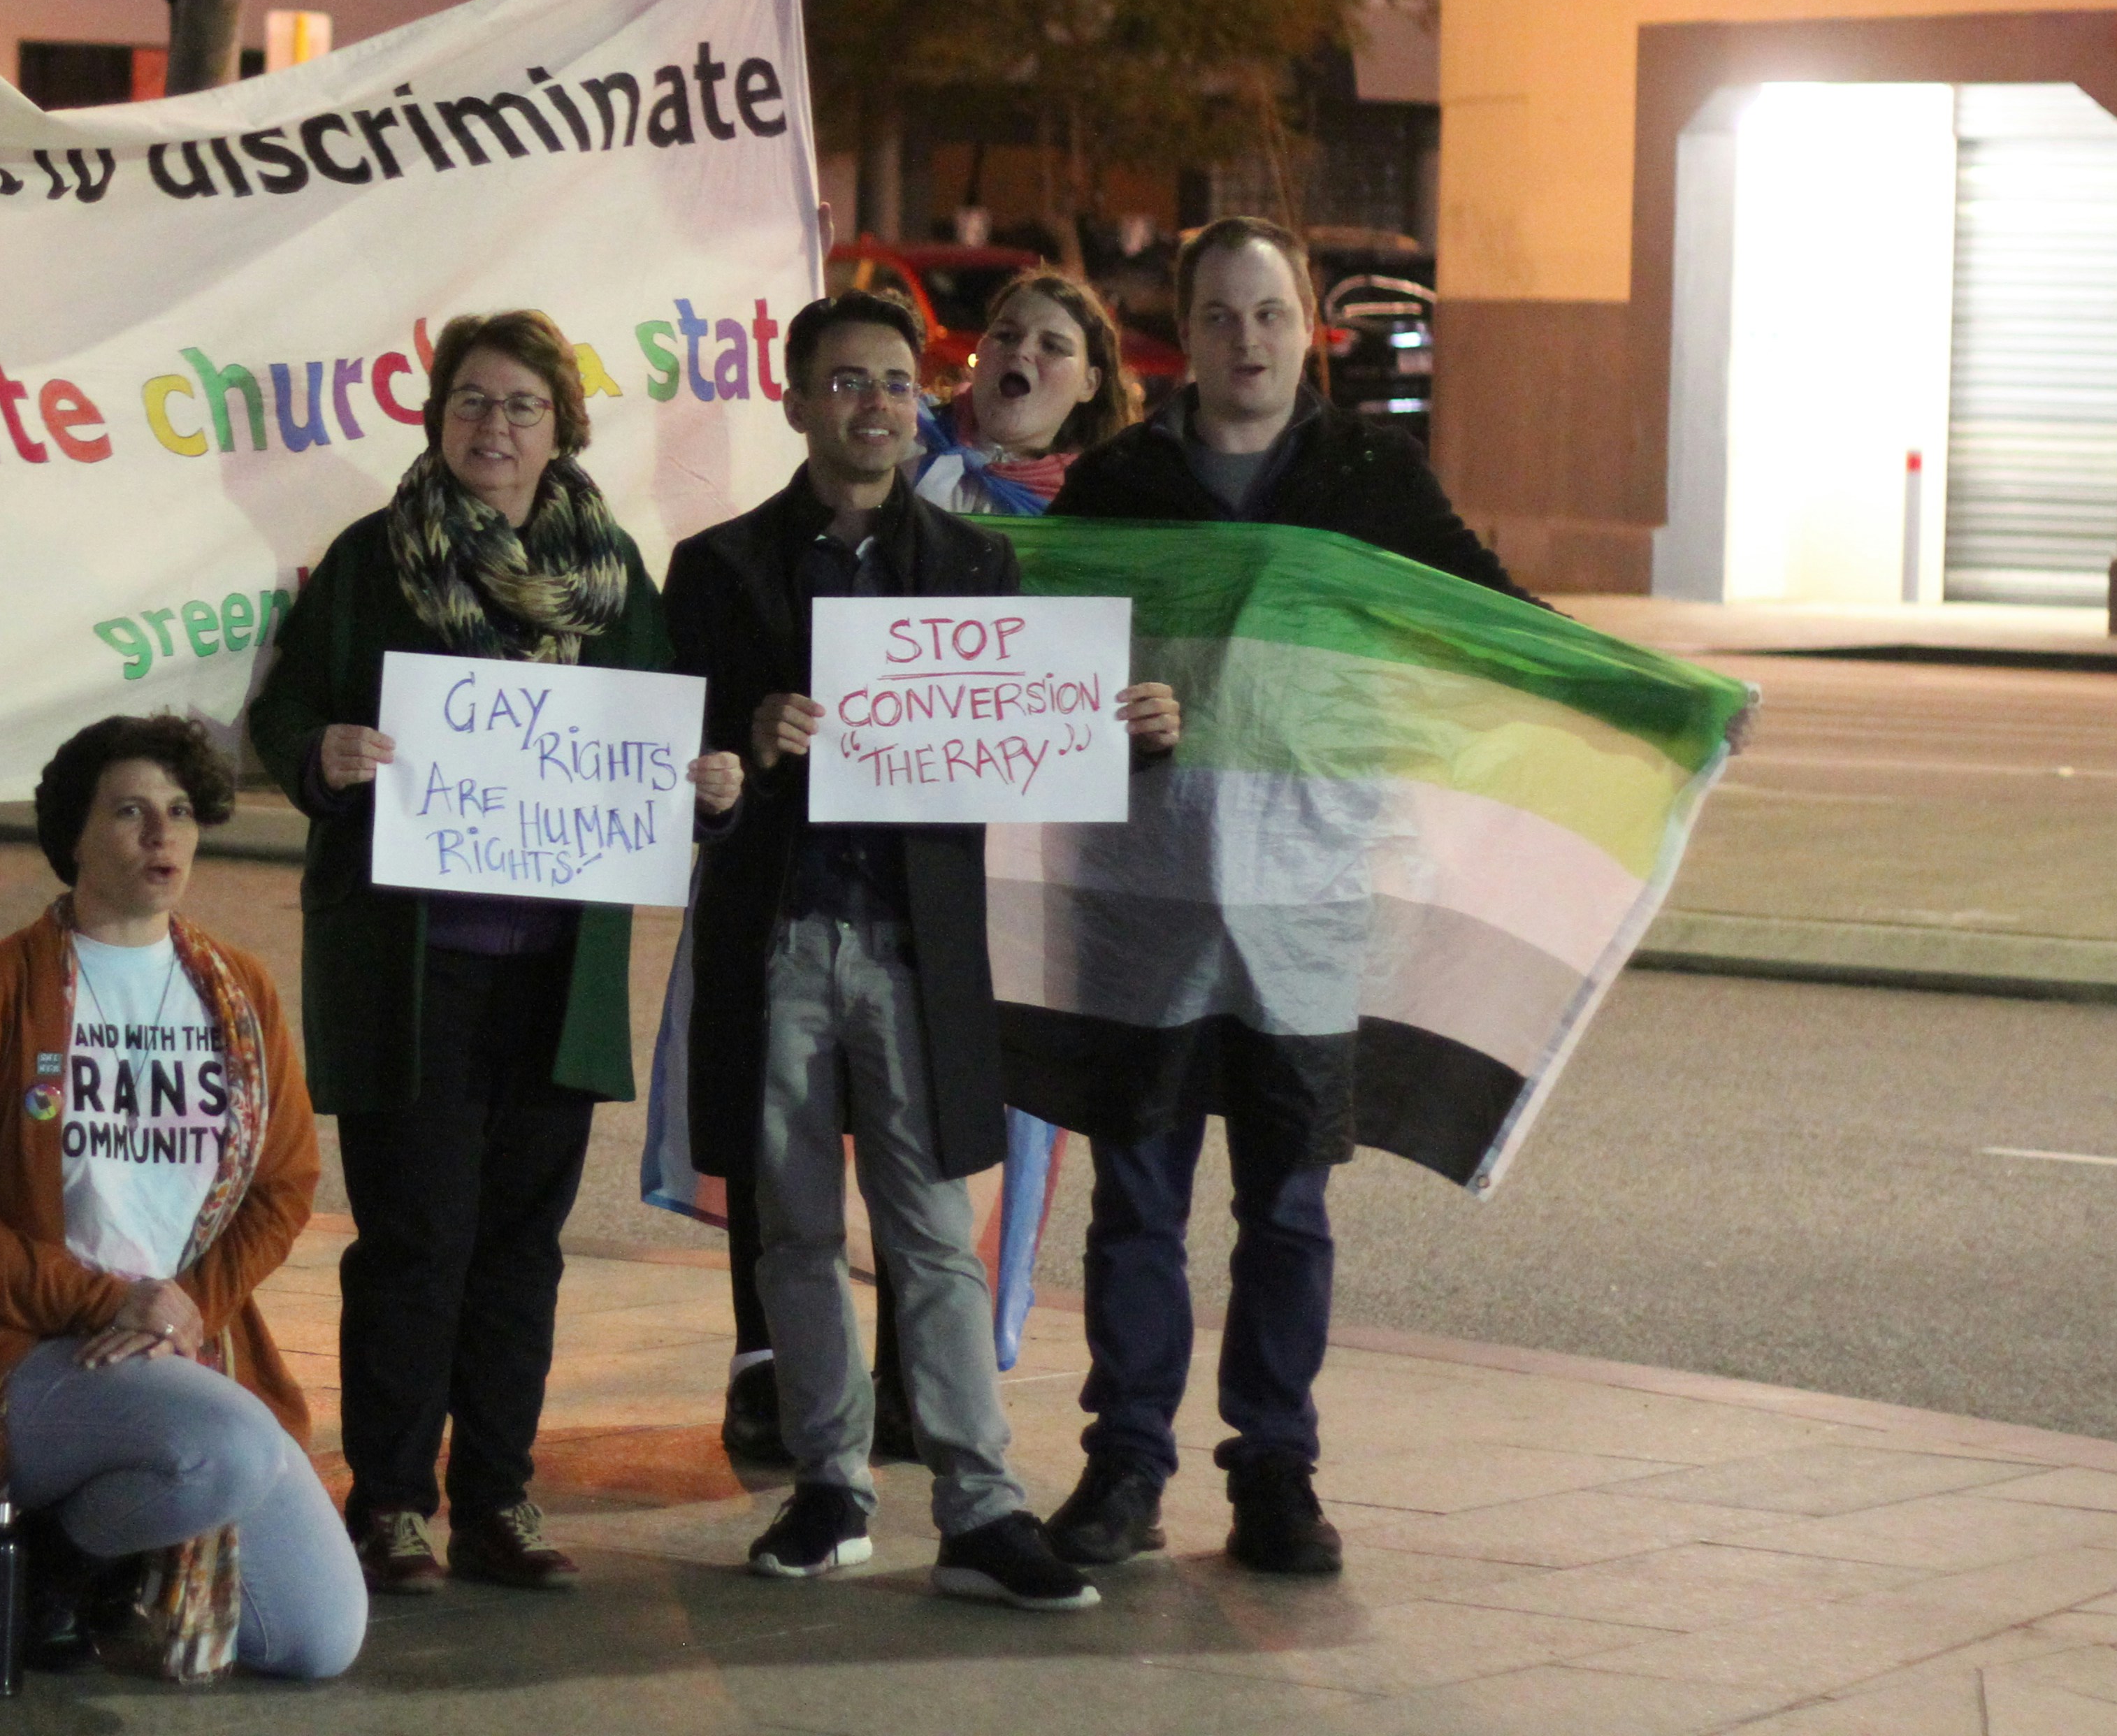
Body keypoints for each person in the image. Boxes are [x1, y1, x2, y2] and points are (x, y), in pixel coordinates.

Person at [1034, 216, 1533, 1583]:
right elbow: (1024, 658)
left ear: (1307, 324)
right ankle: (1126, 1462)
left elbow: (1493, 619)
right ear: (1181, 333)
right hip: (1139, 901)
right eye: (1217, 316)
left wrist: (1656, 702)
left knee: (1290, 1207)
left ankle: (1275, 1471)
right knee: (1136, 1201)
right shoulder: (1121, 483)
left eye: (1268, 314)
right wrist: (1092, 711)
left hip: (1308, 899)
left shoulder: (1369, 478)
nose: (1244, 341)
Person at [664, 289, 1177, 1607]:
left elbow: (1004, 742)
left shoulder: (971, 564)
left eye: (895, 382)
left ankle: (977, 1505)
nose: (875, 405)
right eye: (845, 382)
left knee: (932, 1231)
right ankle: (829, 1483)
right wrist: (739, 750)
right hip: (773, 933)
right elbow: (673, 767)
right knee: (787, 1228)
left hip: (912, 943)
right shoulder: (714, 568)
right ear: (792, 400)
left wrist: (1110, 728)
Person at [249, 314, 742, 1598]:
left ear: (561, 427)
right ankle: (394, 1503)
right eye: (470, 402)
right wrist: (323, 754)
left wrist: (705, 784)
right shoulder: (374, 558)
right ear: (434, 416)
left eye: (521, 406)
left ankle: (498, 1499)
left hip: (552, 972)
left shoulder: (610, 573)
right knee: (414, 1238)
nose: (493, 428)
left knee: (521, 1246)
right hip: (413, 966)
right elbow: (282, 711)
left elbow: (655, 745)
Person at [0, 714, 364, 1683]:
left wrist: (184, 1305)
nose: (164, 838)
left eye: (182, 812)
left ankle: (92, 1551)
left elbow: (284, 1184)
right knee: (229, 1447)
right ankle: (59, 1560)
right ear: (75, 834)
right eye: (132, 813)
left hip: (183, 1343)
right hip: (30, 1354)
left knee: (318, 1640)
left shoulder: (239, 992)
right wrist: (106, 1301)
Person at [913, 273, 1143, 519]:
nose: (1021, 350)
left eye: (1052, 346)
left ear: (1089, 384)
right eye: (1005, 335)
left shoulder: (1096, 507)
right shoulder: (909, 433)